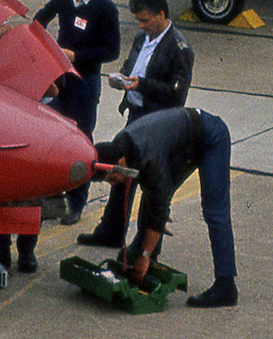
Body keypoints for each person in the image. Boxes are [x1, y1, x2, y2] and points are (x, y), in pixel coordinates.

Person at [0, 0, 119, 272]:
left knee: (81, 140)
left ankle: (76, 202)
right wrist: (22, 38)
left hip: (84, 82)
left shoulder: (105, 8)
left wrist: (76, 56)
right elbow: (41, 20)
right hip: (59, 77)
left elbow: (111, 50)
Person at [80, 0, 194, 248]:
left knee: (152, 185)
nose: (141, 26)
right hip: (136, 118)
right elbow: (132, 67)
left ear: (161, 14)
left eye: (145, 20)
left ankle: (145, 244)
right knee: (121, 175)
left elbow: (176, 97)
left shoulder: (180, 50)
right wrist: (121, 78)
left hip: (157, 124)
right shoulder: (142, 39)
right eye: (138, 20)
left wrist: (140, 85)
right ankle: (111, 231)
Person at [93, 108, 237, 308]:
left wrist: (145, 255)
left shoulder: (149, 155)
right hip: (182, 142)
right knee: (154, 195)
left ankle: (226, 286)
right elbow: (154, 193)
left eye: (112, 178)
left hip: (211, 137)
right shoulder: (120, 145)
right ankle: (145, 252)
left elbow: (159, 201)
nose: (113, 183)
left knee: (215, 212)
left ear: (121, 162)